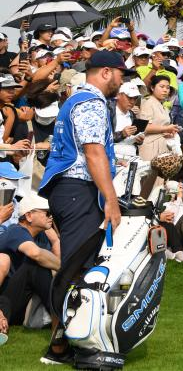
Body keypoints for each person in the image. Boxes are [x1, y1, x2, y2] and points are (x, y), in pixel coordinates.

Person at [37, 51, 131, 365]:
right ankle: (60, 347)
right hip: (77, 190)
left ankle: (68, 340)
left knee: (81, 265)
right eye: (121, 74)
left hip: (71, 191)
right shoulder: (91, 103)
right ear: (106, 72)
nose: (122, 80)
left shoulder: (77, 100)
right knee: (76, 268)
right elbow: (93, 154)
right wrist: (112, 200)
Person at [0, 193, 61, 345]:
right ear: (29, 216)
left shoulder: (42, 236)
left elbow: (54, 263)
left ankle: (61, 313)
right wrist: (66, 269)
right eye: (47, 213)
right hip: (4, 300)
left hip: (18, 301)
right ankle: (61, 314)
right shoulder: (16, 231)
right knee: (35, 265)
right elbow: (36, 254)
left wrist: (55, 240)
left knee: (42, 265)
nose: (50, 217)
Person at [139, 75, 181, 161]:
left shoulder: (163, 106)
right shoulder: (148, 103)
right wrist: (166, 128)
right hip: (150, 146)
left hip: (163, 144)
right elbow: (144, 127)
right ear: (152, 88)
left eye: (168, 87)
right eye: (161, 87)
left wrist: (170, 131)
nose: (165, 90)